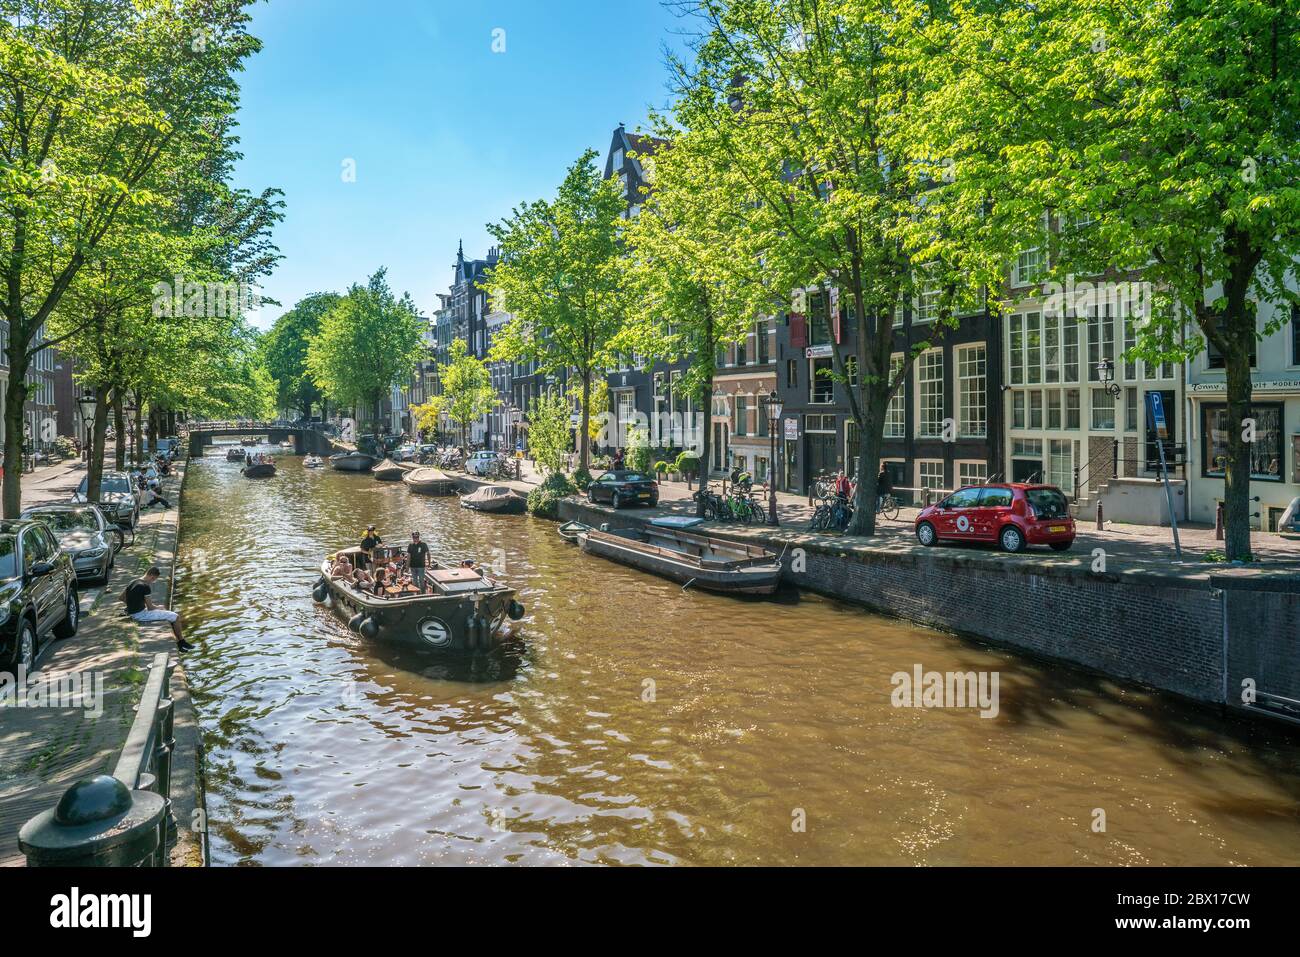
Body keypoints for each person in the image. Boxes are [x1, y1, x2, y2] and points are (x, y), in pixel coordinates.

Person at [123, 566, 191, 652]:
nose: (153, 582)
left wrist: (132, 605)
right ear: (152, 576)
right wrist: (159, 607)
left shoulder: (132, 582)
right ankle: (182, 642)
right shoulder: (145, 586)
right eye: (154, 579)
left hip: (132, 612)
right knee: (175, 616)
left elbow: (122, 598)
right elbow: (150, 608)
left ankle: (179, 644)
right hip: (140, 615)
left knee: (167, 615)